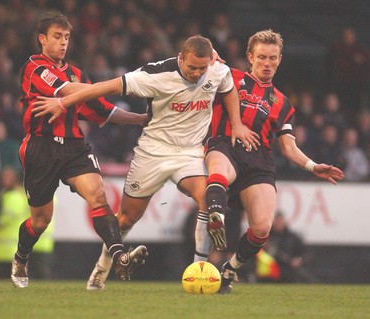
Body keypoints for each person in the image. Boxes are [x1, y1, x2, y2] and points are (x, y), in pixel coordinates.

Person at [32, 34, 260, 290]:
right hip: (152, 153)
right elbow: (103, 87)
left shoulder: (217, 71)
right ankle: (101, 269)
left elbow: (228, 89)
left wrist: (237, 124)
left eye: (202, 68)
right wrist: (62, 102)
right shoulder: (154, 75)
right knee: (127, 218)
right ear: (180, 57)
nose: (197, 73)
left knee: (208, 199)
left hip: (189, 152)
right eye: (192, 67)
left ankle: (199, 272)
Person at [10, 11, 148, 288]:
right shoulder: (35, 68)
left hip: (74, 147)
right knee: (40, 221)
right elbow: (66, 90)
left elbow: (101, 110)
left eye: (67, 37)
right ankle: (21, 257)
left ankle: (119, 256)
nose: (63, 43)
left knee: (98, 195)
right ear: (42, 39)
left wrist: (141, 120)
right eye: (57, 37)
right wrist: (117, 86)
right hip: (41, 147)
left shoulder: (76, 73)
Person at [204, 29, 345, 293]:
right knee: (220, 168)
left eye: (272, 58)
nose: (267, 63)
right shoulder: (230, 76)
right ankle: (216, 213)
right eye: (261, 57)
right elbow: (201, 63)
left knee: (261, 229)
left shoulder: (282, 103)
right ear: (250, 57)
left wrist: (314, 167)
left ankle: (229, 269)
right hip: (225, 143)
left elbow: (288, 147)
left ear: (279, 60)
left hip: (259, 161)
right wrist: (207, 55)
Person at [255, 211, 306, 283]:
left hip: (288, 272)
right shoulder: (265, 237)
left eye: (280, 221)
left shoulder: (292, 237)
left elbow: (303, 252)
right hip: (269, 273)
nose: (279, 223)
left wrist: (299, 260)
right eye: (277, 221)